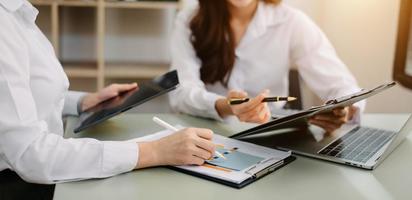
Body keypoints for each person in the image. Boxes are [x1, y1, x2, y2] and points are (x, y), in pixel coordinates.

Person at [0, 0, 216, 198]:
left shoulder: (18, 14)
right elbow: (30, 154)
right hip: (16, 183)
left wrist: (83, 101)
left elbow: (20, 98)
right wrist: (153, 151)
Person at [169, 0, 365, 133]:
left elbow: (342, 84)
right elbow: (180, 93)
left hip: (271, 134)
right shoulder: (189, 19)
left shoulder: (291, 21)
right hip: (205, 132)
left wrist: (344, 109)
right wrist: (227, 106)